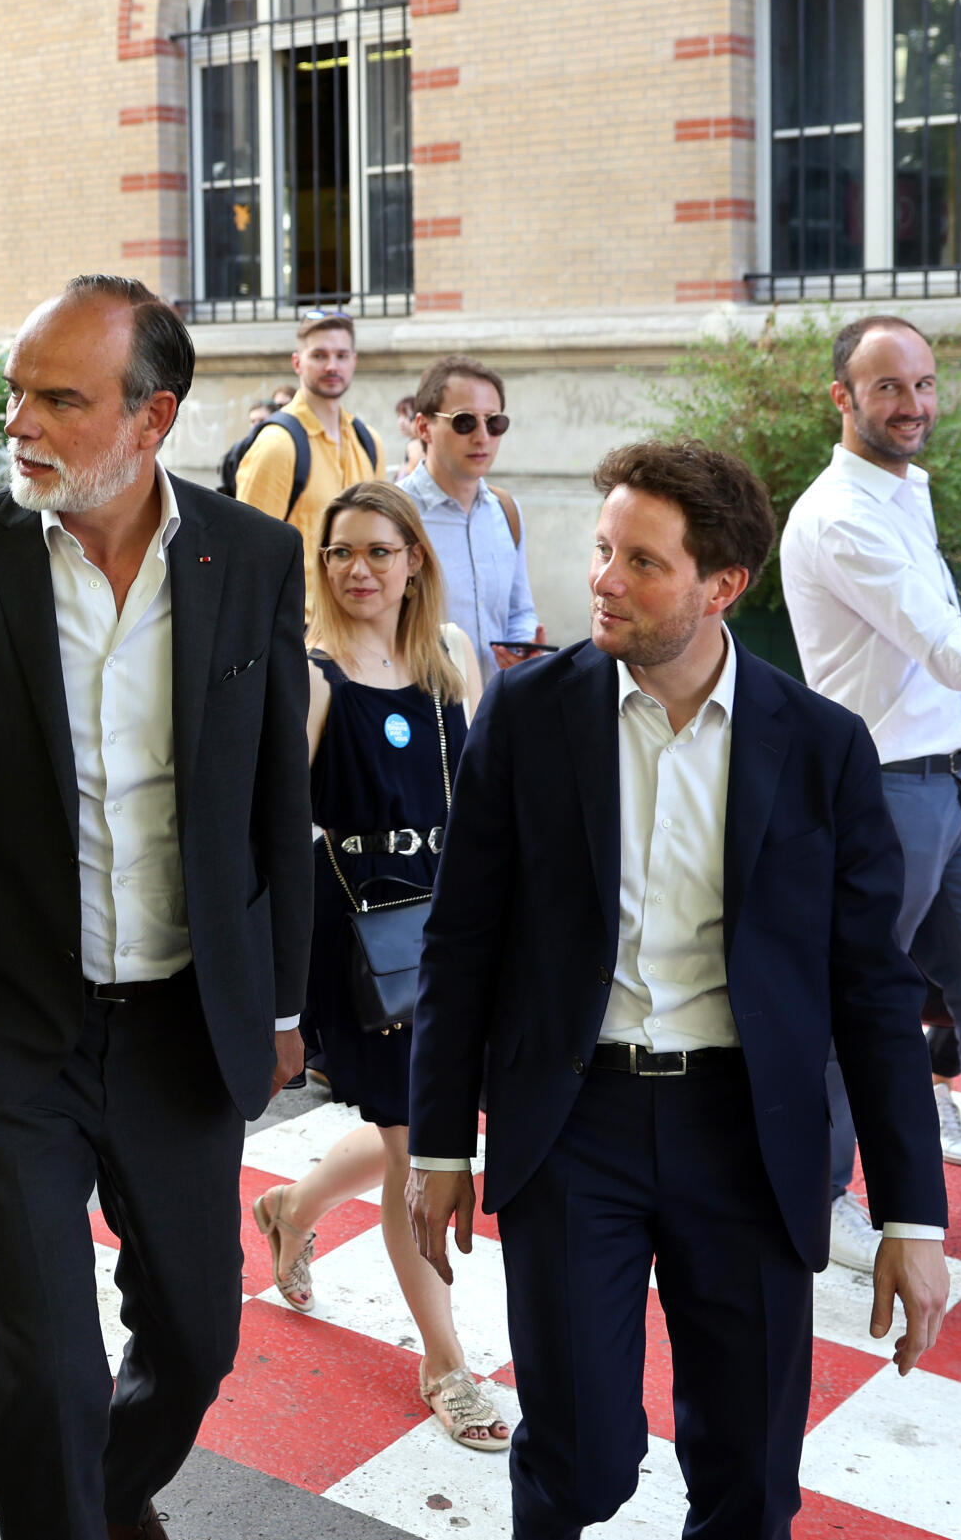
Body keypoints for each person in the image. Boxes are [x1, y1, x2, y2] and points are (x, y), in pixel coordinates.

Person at [0, 276, 311, 1540]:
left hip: (178, 1028)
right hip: (3, 1024)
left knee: (199, 1346)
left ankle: (91, 1502)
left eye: (60, 400)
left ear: (150, 419)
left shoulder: (249, 556)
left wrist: (281, 999)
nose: (21, 428)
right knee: (48, 1368)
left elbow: (275, 804)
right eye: (16, 394)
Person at [408, 440, 952, 1540]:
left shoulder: (820, 748)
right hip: (574, 1124)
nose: (601, 579)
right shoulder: (523, 716)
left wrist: (910, 1214)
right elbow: (460, 942)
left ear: (721, 586)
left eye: (639, 562)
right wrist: (435, 1149)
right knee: (579, 1463)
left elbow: (871, 995)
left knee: (748, 1482)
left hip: (748, 1136)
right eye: (601, 550)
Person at [244, 481, 505, 1451]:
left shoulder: (448, 662)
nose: (358, 569)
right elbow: (275, 829)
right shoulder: (309, 677)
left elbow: (476, 810)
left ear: (412, 564)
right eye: (339, 552)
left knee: (423, 1127)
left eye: (378, 552)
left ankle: (290, 1204)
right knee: (414, 1154)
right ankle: (446, 1366)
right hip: (360, 951)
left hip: (451, 935)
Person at [782, 315, 961, 1188]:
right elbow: (947, 651)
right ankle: (817, 1196)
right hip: (889, 793)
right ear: (844, 396)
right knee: (852, 999)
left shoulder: (902, 493)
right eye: (890, 386)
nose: (913, 404)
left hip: (956, 782)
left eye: (924, 384)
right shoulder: (839, 517)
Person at [396, 355, 545, 688]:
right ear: (423, 428)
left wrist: (523, 651)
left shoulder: (506, 509)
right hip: (422, 709)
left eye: (494, 423)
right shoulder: (393, 514)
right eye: (464, 422)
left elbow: (519, 611)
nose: (482, 437)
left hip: (497, 710)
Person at [234, 313, 381, 611]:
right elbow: (248, 558)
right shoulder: (277, 446)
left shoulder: (368, 442)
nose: (332, 366)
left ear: (354, 361)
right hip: (299, 629)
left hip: (358, 621)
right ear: (297, 362)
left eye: (341, 355)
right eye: (319, 355)